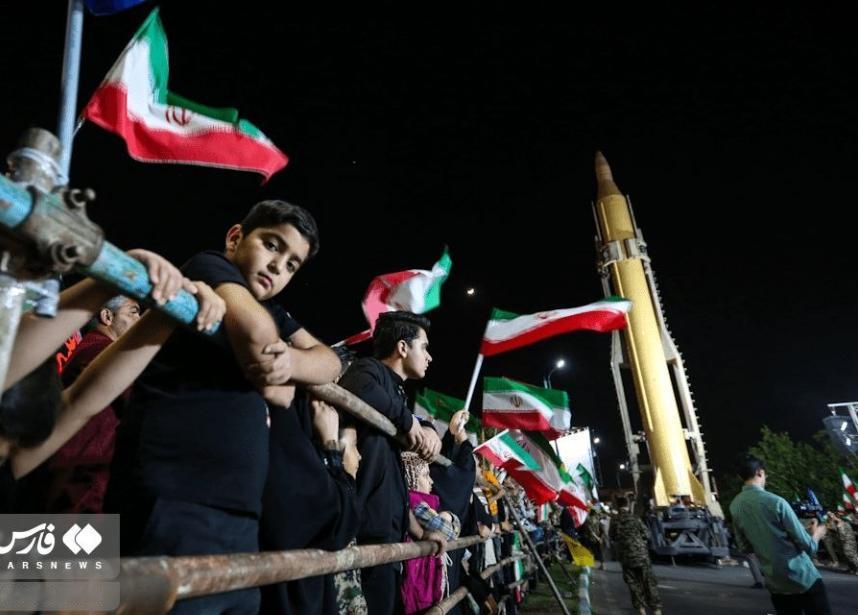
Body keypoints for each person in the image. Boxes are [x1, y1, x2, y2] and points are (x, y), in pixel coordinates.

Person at [106, 200, 341, 614]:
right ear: (235, 237)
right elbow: (257, 336)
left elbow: (330, 362)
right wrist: (275, 367)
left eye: (292, 265)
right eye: (272, 245)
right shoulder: (210, 267)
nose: (277, 266)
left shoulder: (270, 308)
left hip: (239, 510)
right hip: (174, 498)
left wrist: (289, 364)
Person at [338, 310, 442, 615]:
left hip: (389, 534)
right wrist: (407, 421)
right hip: (368, 534)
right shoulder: (368, 369)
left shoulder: (394, 391)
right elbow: (356, 385)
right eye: (424, 347)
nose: (429, 357)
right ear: (402, 347)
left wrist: (425, 427)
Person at [729, 454, 831, 615]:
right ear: (760, 472)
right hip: (802, 578)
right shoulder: (776, 502)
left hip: (775, 583)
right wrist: (817, 533)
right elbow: (810, 547)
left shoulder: (735, 506)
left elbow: (744, 547)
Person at [401, 451, 460, 614]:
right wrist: (449, 517)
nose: (431, 481)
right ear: (411, 478)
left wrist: (448, 517)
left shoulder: (423, 504)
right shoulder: (416, 504)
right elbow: (451, 533)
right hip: (419, 579)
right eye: (425, 475)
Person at [611, 496, 662, 615]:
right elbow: (647, 534)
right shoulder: (635, 518)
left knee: (633, 585)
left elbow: (613, 537)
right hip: (641, 556)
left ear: (617, 506)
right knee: (649, 583)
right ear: (627, 505)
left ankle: (641, 611)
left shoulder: (615, 521)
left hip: (626, 557)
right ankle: (656, 610)